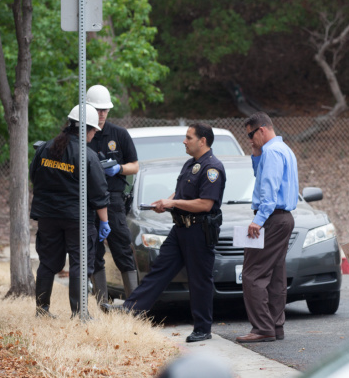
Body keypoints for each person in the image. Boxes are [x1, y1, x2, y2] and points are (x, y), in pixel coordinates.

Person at [115, 123, 226, 343]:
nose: (184, 141)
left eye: (189, 137)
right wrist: (166, 203)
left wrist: (173, 202)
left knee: (199, 280)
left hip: (199, 230)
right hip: (180, 229)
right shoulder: (190, 164)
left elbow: (205, 204)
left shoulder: (212, 168)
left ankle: (202, 328)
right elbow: (182, 192)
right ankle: (130, 310)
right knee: (159, 271)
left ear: (202, 141)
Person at [30, 103, 111, 319]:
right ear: (87, 129)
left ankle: (42, 311)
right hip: (77, 219)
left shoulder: (45, 148)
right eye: (94, 131)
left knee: (47, 262)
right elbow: (99, 194)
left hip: (48, 216)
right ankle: (79, 314)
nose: (94, 136)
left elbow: (34, 177)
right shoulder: (87, 155)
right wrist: (104, 222)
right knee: (80, 263)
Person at [236, 112, 298, 343]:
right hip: (284, 218)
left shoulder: (272, 152)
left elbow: (268, 191)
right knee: (276, 275)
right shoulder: (283, 150)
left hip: (271, 217)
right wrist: (255, 153)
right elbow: (261, 176)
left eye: (251, 135)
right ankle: (275, 326)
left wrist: (258, 221)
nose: (249, 140)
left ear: (262, 129)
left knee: (253, 274)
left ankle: (262, 328)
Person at [85, 85, 140, 310]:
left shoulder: (119, 134)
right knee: (94, 253)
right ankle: (101, 306)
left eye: (104, 110)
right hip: (88, 202)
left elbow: (135, 166)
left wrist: (119, 169)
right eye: (97, 109)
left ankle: (136, 306)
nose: (101, 114)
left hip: (114, 200)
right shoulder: (83, 134)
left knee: (123, 251)